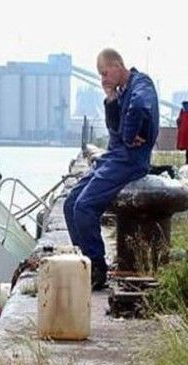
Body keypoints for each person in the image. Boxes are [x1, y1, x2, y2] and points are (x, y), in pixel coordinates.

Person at [64, 48, 159, 290]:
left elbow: (139, 106)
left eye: (105, 73)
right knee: (70, 203)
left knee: (84, 206)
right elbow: (114, 130)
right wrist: (111, 99)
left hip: (130, 159)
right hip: (114, 156)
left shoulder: (141, 84)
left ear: (118, 65)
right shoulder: (120, 91)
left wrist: (130, 135)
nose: (103, 79)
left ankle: (97, 266)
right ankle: (86, 261)